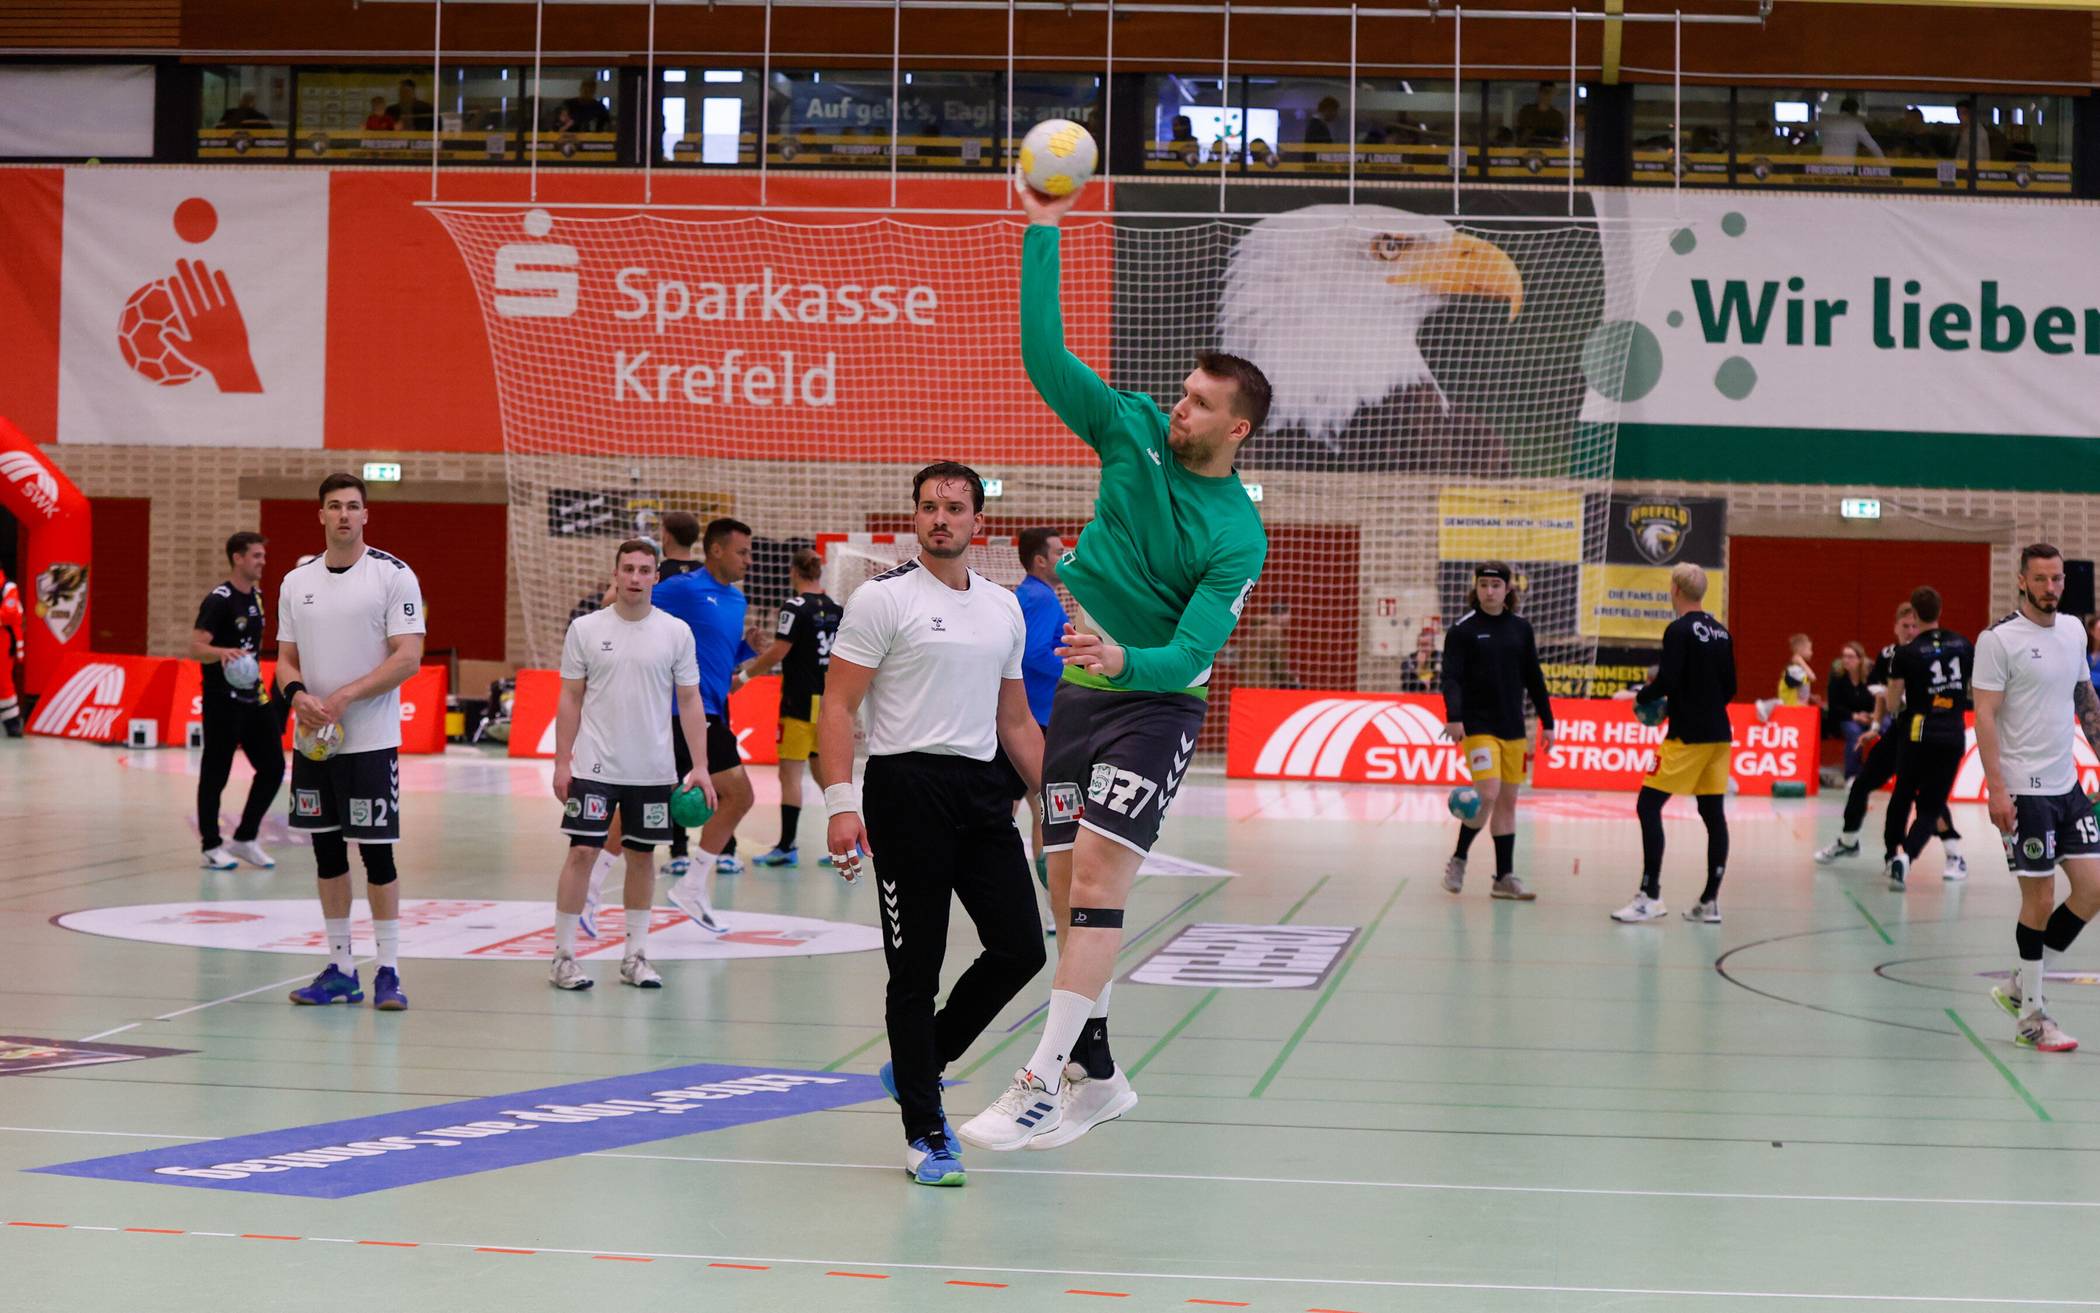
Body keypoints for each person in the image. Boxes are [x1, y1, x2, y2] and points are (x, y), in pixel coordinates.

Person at [957, 176, 1268, 1154]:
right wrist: (1043, 227)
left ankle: (1039, 1080)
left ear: (1236, 429)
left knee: (1096, 875)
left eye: (1200, 404)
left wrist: (1126, 652)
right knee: (1066, 894)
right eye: (1183, 392)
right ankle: (1101, 1077)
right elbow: (1043, 357)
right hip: (1081, 702)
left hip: (1154, 708)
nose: (1180, 407)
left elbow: (1189, 655)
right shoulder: (1128, 428)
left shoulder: (1238, 534)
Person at [817, 461, 1047, 1186]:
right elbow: (837, 705)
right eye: (928, 507)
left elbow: (1016, 720)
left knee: (1021, 947)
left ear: (979, 521)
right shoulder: (882, 599)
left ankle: (921, 1060)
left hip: (982, 790)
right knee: (915, 970)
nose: (940, 518)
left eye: (953, 508)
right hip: (905, 790)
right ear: (915, 517)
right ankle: (924, 1132)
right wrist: (840, 803)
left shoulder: (1003, 607)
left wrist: (1053, 802)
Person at [276, 473, 426, 1011]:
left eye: (353, 506)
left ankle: (388, 970)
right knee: (326, 852)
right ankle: (341, 968)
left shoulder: (393, 575)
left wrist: (345, 696)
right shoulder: (296, 582)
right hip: (314, 743)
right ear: (321, 515)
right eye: (335, 506)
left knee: (377, 856)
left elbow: (408, 657)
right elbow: (285, 658)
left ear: (366, 515)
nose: (344, 514)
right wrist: (296, 694)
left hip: (370, 742)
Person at [547, 539, 717, 991]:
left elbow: (690, 700)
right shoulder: (585, 629)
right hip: (593, 767)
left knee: (642, 858)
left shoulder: (676, 632)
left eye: (645, 570)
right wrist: (562, 762)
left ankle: (635, 956)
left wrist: (700, 765)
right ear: (615, 574)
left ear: (656, 577)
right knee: (582, 853)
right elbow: (570, 698)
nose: (636, 578)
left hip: (653, 771)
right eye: (628, 569)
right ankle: (563, 957)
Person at [1975, 544, 2100, 1052]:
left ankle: (2018, 985)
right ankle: (2031, 1017)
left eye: (2058, 579)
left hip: (2066, 785)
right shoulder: (1998, 640)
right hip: (2024, 791)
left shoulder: (2073, 631)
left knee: (2093, 890)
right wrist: (1996, 789)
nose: (2051, 588)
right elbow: (1985, 716)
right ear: (2022, 581)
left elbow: (2084, 700)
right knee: (2041, 900)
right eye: (2042, 579)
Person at [1610, 563, 1735, 924]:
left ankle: (1650, 896)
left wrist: (1642, 697)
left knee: (1648, 805)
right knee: (1713, 814)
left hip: (1687, 736)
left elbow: (1667, 679)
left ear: (1676, 590)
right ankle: (1709, 901)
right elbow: (1731, 687)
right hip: (1719, 735)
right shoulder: (1722, 632)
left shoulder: (1678, 629)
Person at [652, 517, 760, 925]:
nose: (748, 560)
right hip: (681, 711)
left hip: (712, 710)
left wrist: (747, 649)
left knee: (641, 805)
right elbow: (629, 606)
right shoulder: (683, 589)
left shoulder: (737, 601)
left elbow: (719, 658)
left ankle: (591, 890)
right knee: (739, 795)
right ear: (715, 550)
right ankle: (692, 886)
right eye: (742, 552)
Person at [1440, 562, 1554, 900]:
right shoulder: (1462, 630)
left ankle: (1504, 877)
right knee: (1487, 793)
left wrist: (1548, 721)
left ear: (1508, 589)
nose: (1489, 591)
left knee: (1507, 803)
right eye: (1483, 585)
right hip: (1478, 726)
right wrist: (1454, 716)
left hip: (1512, 727)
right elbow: (1451, 678)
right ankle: (1459, 859)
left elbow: (1534, 678)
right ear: (1476, 588)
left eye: (1495, 585)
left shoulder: (1521, 628)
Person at [743, 548, 843, 868]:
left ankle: (786, 846)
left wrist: (743, 677)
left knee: (790, 775)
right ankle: (848, 841)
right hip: (827, 702)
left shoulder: (794, 607)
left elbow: (779, 652)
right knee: (823, 774)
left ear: (794, 573)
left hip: (799, 703)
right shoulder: (836, 609)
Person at [192, 531, 284, 871]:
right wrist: (222, 653)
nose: (262, 562)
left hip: (254, 696)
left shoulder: (257, 597)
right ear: (238, 558)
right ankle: (211, 846)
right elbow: (196, 647)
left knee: (273, 767)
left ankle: (245, 838)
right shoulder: (219, 600)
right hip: (222, 701)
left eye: (263, 555)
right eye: (256, 556)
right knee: (216, 774)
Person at [1884, 586, 1973, 890]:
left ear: (1914, 613)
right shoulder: (1963, 644)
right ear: (1940, 610)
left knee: (1903, 793)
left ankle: (1892, 853)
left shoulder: (1905, 653)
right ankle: (1907, 857)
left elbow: (1893, 701)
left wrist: (1900, 706)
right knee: (1932, 805)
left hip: (1917, 731)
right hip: (1951, 731)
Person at [1014, 528, 1068, 890]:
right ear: (1040, 561)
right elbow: (1034, 653)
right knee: (1044, 807)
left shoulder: (1026, 594)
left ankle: (1049, 896)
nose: (1065, 558)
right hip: (1037, 719)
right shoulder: (1041, 598)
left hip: (1023, 716)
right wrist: (1076, 672)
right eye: (1059, 552)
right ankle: (1054, 898)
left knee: (1034, 805)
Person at [1825, 640, 1877, 779]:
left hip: (1871, 716)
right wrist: (1855, 716)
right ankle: (1852, 775)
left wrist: (1873, 715)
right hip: (1847, 717)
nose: (1846, 660)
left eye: (1850, 657)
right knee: (1854, 732)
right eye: (1844, 656)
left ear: (1860, 660)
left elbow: (1879, 699)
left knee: (1887, 726)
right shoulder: (1837, 678)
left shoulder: (1871, 676)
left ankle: (1885, 772)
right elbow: (1834, 707)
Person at [1818, 97, 1884, 161]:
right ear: (1854, 111)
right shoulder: (1856, 125)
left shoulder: (1828, 121)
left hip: (1826, 165)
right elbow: (1872, 146)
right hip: (1845, 166)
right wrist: (1884, 162)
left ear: (1841, 109)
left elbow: (1811, 125)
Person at [0, 567, 21, 738]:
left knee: (3, 682)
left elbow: (10, 614)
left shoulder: (8, 587)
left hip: (3, 640)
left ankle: (12, 722)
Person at [1514, 82, 1567, 146]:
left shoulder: (1557, 116)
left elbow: (1560, 139)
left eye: (1551, 93)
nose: (1547, 95)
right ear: (1539, 92)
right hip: (1528, 150)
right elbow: (1520, 136)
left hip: (1551, 150)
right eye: (1545, 92)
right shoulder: (1527, 112)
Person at [1398, 626, 1440, 693]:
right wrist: (1419, 666)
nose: (1423, 648)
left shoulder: (1440, 658)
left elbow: (1436, 685)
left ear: (1433, 646)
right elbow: (1407, 685)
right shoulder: (1409, 660)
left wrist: (1422, 669)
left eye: (1426, 645)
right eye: (1421, 645)